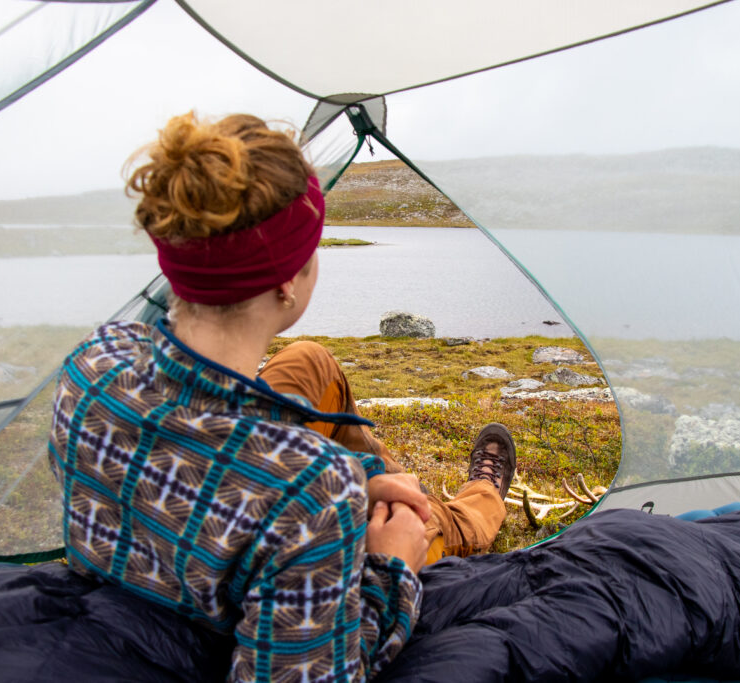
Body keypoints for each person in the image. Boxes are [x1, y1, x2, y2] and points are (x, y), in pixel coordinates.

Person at [47, 111, 516, 681]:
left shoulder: (94, 363)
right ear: (288, 282)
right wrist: (395, 567)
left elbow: (207, 463)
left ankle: (399, 481)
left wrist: (360, 477)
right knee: (425, 524)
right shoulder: (311, 497)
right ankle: (480, 501)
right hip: (253, 562)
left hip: (146, 571)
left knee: (311, 359)